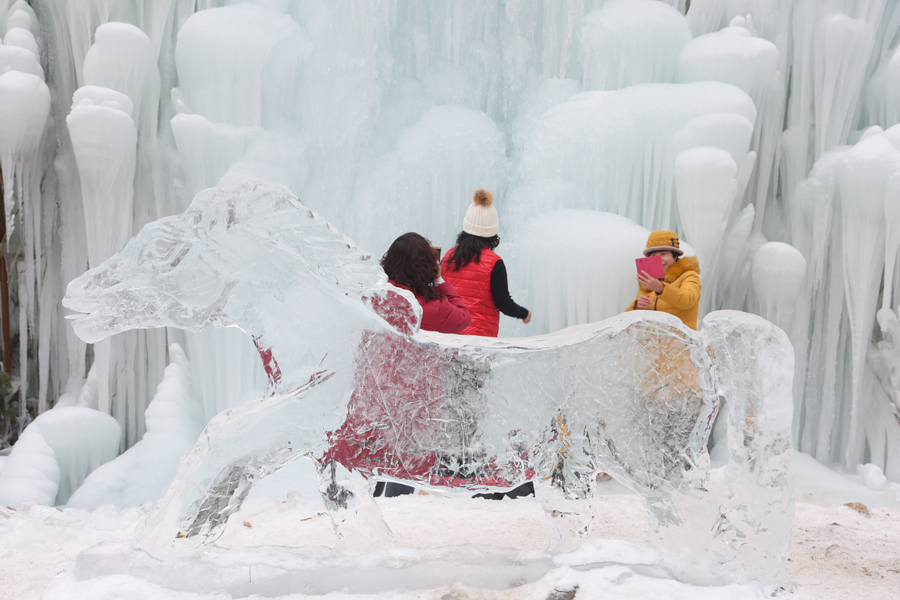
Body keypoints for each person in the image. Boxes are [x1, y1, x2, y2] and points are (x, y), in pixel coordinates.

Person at [441, 189, 531, 337]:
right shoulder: (494, 263)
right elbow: (503, 303)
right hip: (478, 340)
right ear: (493, 231)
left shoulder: (449, 257)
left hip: (449, 336)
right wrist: (524, 313)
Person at [381, 232, 471, 334]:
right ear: (427, 266)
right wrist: (438, 280)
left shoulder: (377, 296)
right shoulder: (436, 308)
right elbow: (463, 318)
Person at [626, 230, 701, 330]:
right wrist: (637, 307)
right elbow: (627, 320)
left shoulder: (689, 275)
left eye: (663, 254)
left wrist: (661, 288)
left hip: (680, 343)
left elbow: (688, 300)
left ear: (675, 256)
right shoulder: (648, 282)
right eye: (653, 256)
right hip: (651, 344)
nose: (658, 259)